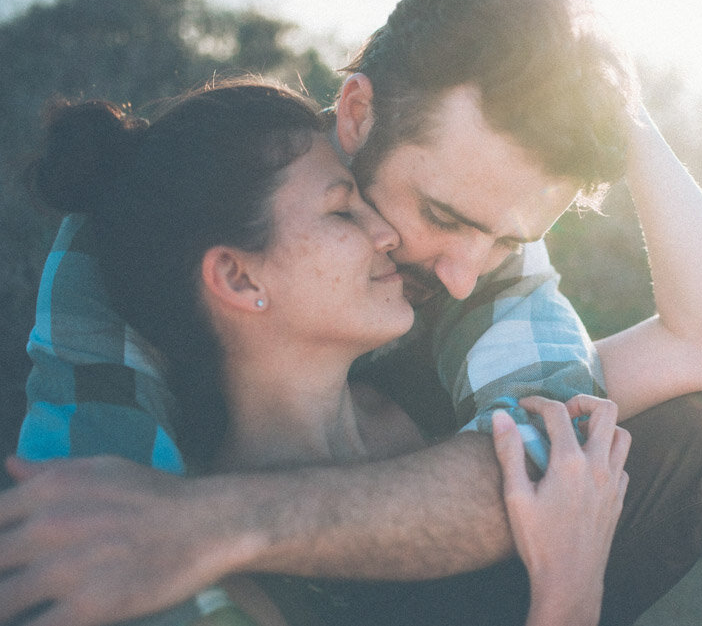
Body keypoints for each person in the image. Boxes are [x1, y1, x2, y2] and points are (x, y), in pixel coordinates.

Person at [0, 0, 702, 626]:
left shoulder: (457, 274)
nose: (462, 273)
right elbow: (87, 540)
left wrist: (608, 92)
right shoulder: (130, 256)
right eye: (434, 216)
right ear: (353, 115)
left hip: (474, 533)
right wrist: (196, 528)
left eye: (505, 240)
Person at [5, 79, 630, 626]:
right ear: (241, 279)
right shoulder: (210, 571)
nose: (389, 234)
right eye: (341, 211)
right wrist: (570, 591)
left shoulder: (430, 393)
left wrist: (608, 86)